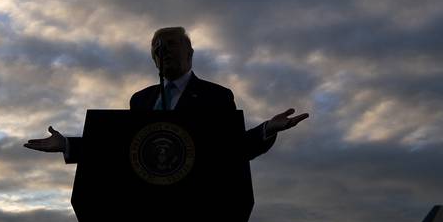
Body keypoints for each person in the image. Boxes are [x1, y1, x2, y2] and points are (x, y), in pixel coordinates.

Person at [25, 26, 308, 163]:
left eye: (171, 44)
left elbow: (230, 148)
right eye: (157, 48)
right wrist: (68, 146)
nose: (164, 51)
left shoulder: (216, 96)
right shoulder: (141, 100)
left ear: (190, 52)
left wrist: (266, 130)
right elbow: (125, 148)